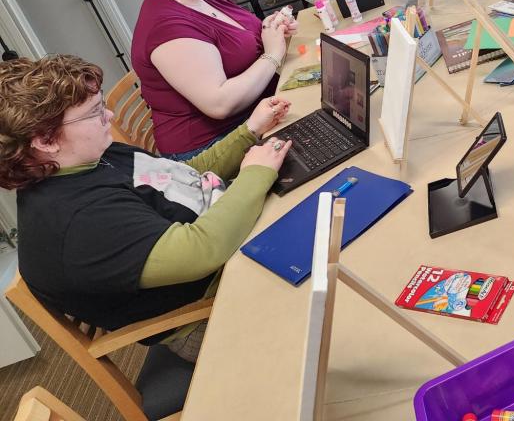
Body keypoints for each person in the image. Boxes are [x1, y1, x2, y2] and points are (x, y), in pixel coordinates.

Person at [0, 54, 294, 361]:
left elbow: (184, 176)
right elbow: (201, 252)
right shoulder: (77, 221)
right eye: (95, 112)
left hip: (224, 246)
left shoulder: (92, 156)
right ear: (46, 141)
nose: (110, 115)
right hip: (206, 312)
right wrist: (255, 174)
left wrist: (250, 131)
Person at [131, 0, 298, 159]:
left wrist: (273, 29)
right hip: (211, 145)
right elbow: (220, 104)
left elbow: (243, 38)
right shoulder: (167, 27)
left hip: (254, 112)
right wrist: (272, 53)